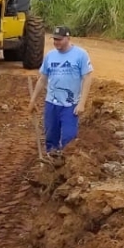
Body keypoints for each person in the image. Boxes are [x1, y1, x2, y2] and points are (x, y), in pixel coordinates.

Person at [28, 25, 94, 159]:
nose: (56, 42)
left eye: (59, 39)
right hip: (51, 103)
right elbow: (43, 79)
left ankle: (67, 163)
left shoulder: (80, 54)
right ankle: (51, 162)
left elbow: (87, 78)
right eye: (54, 39)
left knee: (69, 137)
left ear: (68, 38)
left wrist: (82, 103)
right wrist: (33, 100)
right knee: (51, 136)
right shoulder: (50, 56)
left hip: (71, 105)